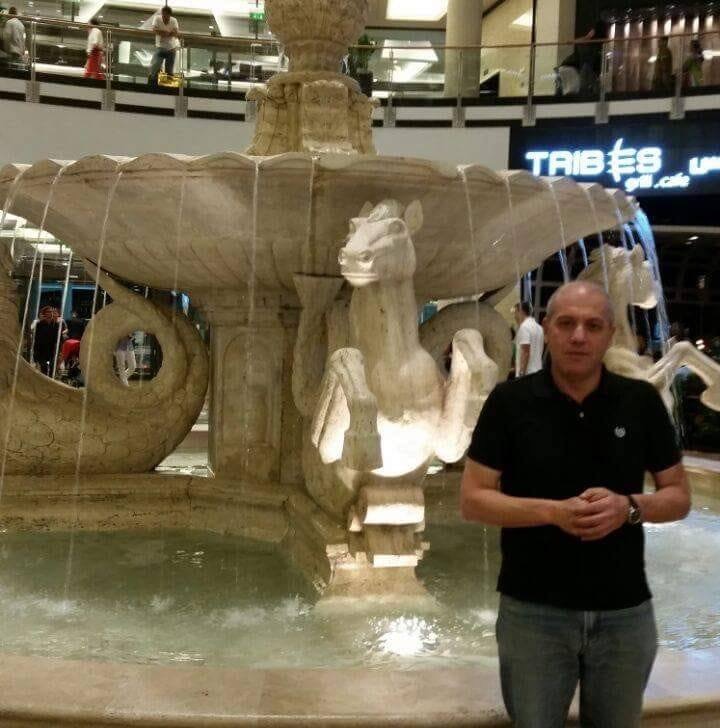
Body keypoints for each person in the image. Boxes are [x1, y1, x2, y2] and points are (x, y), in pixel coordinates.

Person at [461, 281, 690, 728]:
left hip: (624, 613)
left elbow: (678, 496)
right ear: (547, 328)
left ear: (610, 334)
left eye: (593, 325)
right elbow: (473, 500)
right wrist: (552, 512)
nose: (579, 336)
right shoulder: (510, 403)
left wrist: (629, 507)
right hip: (534, 614)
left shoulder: (640, 402)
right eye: (566, 323)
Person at [148, 5, 180, 88]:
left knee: (169, 70)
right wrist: (166, 33)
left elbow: (176, 32)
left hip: (171, 48)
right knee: (155, 67)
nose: (164, 17)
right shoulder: (157, 18)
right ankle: (154, 86)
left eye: (166, 15)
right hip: (160, 47)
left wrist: (164, 33)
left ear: (169, 15)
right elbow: (154, 29)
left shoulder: (174, 20)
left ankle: (167, 88)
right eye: (163, 15)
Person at [31, 305, 67, 377]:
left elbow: (59, 339)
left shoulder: (56, 325)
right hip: (41, 350)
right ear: (44, 313)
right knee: (44, 367)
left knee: (52, 368)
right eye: (48, 312)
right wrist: (35, 353)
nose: (50, 313)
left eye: (51, 312)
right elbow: (36, 339)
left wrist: (60, 352)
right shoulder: (39, 325)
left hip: (52, 350)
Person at [513, 301, 544, 378]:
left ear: (521, 312)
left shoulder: (524, 327)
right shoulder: (539, 328)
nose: (514, 316)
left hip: (527, 374)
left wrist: (521, 373)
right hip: (538, 371)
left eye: (515, 312)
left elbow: (525, 351)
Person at [84, 16, 105, 80]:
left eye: (88, 23)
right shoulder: (94, 31)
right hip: (94, 53)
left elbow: (95, 43)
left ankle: (83, 83)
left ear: (92, 23)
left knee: (91, 72)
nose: (87, 24)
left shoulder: (95, 30)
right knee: (95, 72)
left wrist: (90, 52)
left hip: (95, 52)